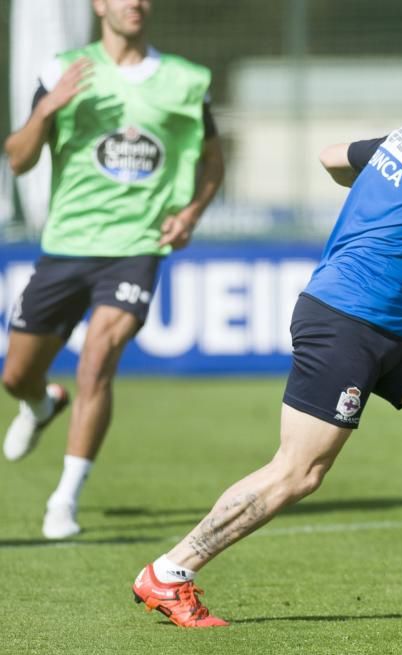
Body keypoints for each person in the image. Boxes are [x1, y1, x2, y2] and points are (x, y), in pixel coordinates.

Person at [131, 25, 402, 629]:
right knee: (298, 471)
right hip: (345, 323)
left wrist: (383, 181)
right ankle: (169, 573)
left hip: (380, 328)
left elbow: (332, 157)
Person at [2, 0, 224, 539]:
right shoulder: (62, 71)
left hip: (136, 247)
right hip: (67, 246)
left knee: (97, 360)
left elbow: (212, 160)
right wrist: (45, 110)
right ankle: (40, 401)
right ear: (100, 5)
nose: (136, 4)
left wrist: (191, 212)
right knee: (14, 376)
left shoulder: (184, 80)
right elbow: (18, 158)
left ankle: (64, 500)